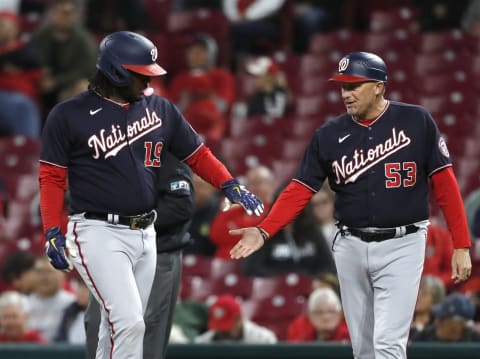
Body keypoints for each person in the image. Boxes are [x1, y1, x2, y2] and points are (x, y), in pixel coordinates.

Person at [229, 51, 472, 359]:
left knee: (388, 344)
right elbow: (299, 190)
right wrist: (264, 231)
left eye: (354, 85)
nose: (346, 94)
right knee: (364, 349)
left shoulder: (416, 121)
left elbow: (446, 185)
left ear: (379, 86)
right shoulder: (329, 135)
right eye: (343, 86)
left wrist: (461, 244)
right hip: (350, 245)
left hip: (403, 243)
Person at [38, 30, 263, 359]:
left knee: (117, 326)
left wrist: (229, 184)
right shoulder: (68, 115)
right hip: (98, 232)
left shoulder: (160, 108)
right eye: (141, 76)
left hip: (146, 233)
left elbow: (197, 154)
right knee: (130, 324)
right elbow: (52, 177)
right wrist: (51, 230)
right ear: (116, 72)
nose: (148, 83)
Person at [84, 151, 196, 359]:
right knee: (97, 326)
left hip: (155, 254)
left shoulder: (166, 153)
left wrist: (131, 221)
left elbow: (180, 206)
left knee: (143, 328)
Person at [27, 256, 76, 342]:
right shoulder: (24, 304)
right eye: (39, 272)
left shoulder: (72, 304)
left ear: (61, 275)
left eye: (48, 272)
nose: (43, 277)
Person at [194, 294, 277, 343]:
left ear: (239, 320)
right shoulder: (203, 342)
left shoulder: (264, 339)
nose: (222, 332)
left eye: (226, 328)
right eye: (219, 327)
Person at [411, 292, 480, 342]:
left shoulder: (475, 341)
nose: (437, 322)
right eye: (437, 317)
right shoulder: (423, 337)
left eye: (442, 319)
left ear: (460, 325)